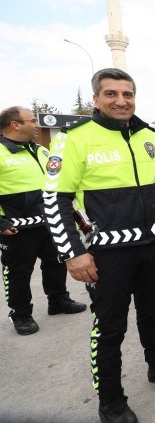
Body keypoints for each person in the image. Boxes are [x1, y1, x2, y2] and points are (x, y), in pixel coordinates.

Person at [43, 68, 155, 423]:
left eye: (127, 94)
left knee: (153, 313)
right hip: (107, 254)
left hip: (153, 246)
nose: (121, 101)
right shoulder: (72, 139)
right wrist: (72, 253)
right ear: (96, 99)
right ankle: (110, 401)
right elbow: (54, 201)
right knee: (109, 328)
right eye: (111, 94)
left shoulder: (146, 135)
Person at [0, 107, 86, 335]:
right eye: (32, 121)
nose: (37, 126)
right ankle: (20, 313)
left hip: (49, 222)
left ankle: (58, 301)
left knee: (56, 263)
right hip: (16, 228)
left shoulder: (41, 151)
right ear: (15, 124)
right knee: (18, 272)